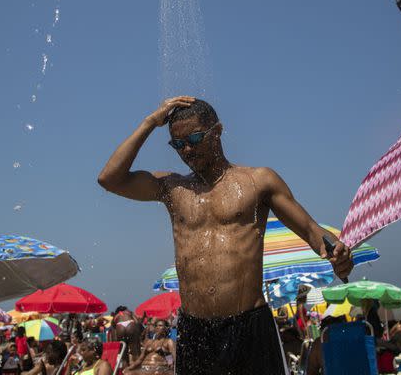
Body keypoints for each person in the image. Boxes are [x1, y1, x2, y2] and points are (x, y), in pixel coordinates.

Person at [98, 97, 353, 375]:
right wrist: (150, 122)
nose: (187, 150)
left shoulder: (259, 181)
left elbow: (311, 231)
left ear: (217, 131)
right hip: (195, 331)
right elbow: (110, 178)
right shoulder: (172, 188)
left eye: (194, 138)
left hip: (249, 327)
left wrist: (336, 252)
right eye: (178, 144)